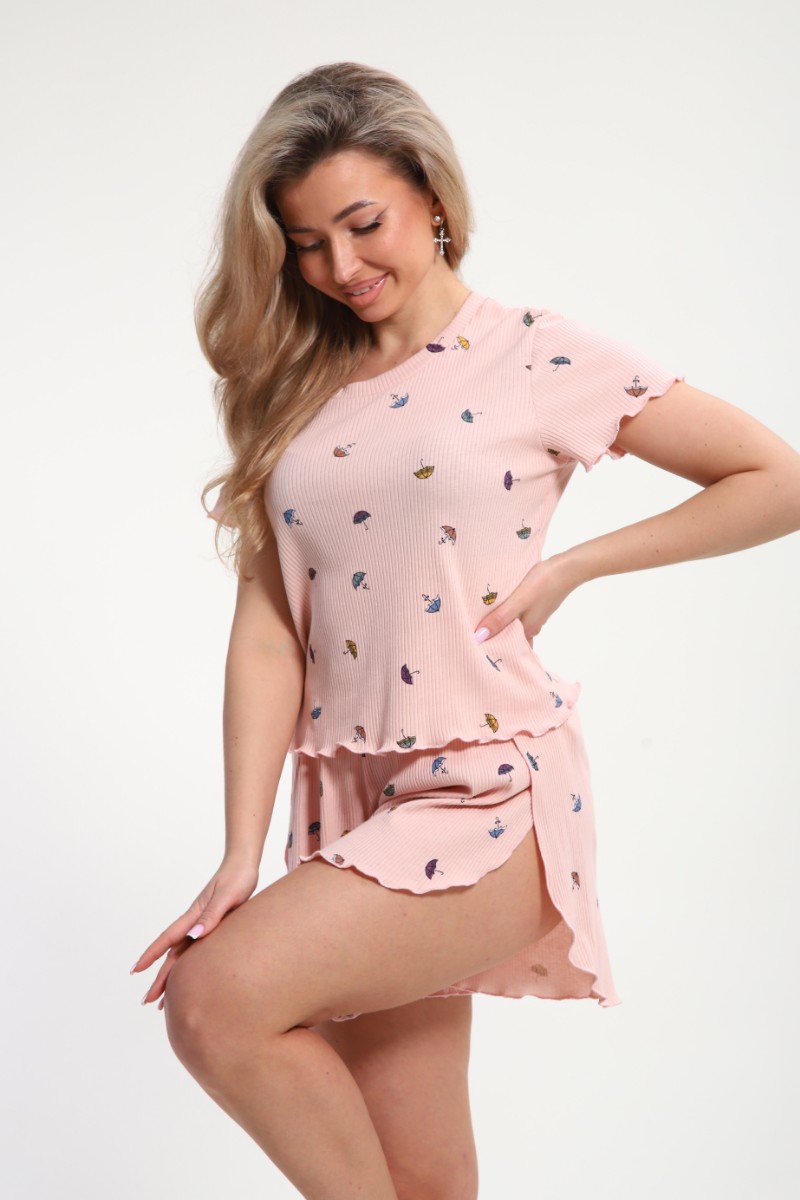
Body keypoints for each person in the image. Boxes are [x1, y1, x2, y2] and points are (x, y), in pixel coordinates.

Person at [130, 61, 800, 1200]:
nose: (341, 267)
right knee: (424, 1179)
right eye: (306, 243)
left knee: (215, 1002)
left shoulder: (533, 353)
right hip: (352, 796)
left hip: (489, 788)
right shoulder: (293, 389)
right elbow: (268, 633)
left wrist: (576, 565)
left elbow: (772, 478)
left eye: (364, 224)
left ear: (432, 198)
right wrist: (241, 851)